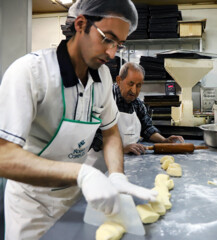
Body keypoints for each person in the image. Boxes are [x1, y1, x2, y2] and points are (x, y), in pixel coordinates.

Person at [0, 0, 157, 239]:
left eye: (119, 45)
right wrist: (82, 173)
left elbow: (111, 131)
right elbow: (4, 156)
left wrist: (116, 174)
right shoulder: (31, 73)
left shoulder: (103, 77)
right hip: (32, 206)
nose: (112, 53)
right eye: (107, 38)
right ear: (81, 24)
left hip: (78, 199)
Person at [91, 62, 184, 155]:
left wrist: (164, 141)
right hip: (103, 164)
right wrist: (122, 149)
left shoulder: (137, 104)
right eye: (130, 84)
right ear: (119, 80)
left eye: (138, 85)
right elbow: (94, 137)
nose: (134, 90)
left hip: (128, 161)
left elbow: (147, 128)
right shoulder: (104, 100)